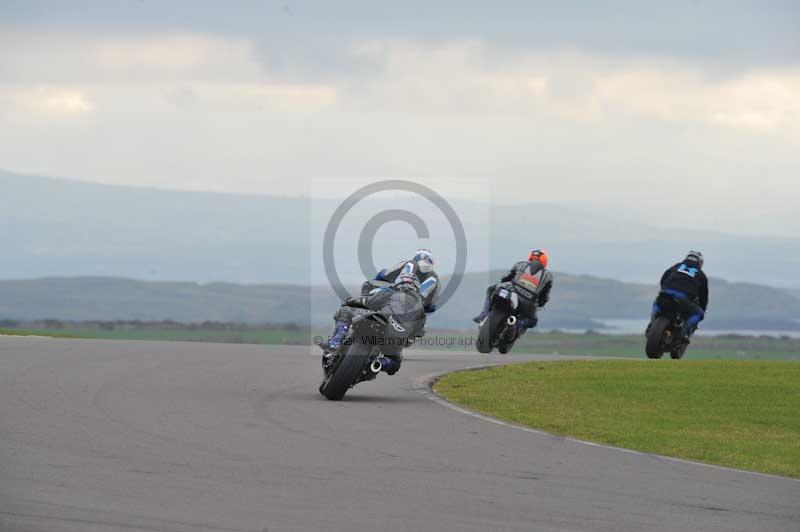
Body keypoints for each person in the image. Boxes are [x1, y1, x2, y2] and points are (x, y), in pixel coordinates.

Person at [319, 272, 425, 375]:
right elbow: (418, 332)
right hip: (396, 337)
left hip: (382, 320)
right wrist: (405, 337)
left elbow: (368, 301)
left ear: (398, 283)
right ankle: (379, 364)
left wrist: (349, 301)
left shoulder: (391, 292)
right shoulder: (421, 309)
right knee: (395, 362)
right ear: (417, 287)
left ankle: (336, 341)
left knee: (345, 311)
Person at [473, 249, 553, 334]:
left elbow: (505, 278)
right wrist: (540, 303)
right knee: (532, 321)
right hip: (528, 302)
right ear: (544, 261)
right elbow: (544, 296)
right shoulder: (548, 276)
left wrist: (504, 285)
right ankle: (516, 325)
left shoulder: (520, 264)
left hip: (510, 292)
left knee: (491, 289)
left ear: (530, 257)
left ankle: (483, 315)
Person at [650, 250, 708, 339]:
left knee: (657, 302)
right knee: (699, 313)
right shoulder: (701, 274)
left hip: (666, 294)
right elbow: (703, 296)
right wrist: (703, 308)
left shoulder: (676, 266)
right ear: (700, 262)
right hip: (683, 299)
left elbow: (663, 278)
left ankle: (652, 324)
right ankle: (684, 333)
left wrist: (664, 290)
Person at [366, 248, 440, 313]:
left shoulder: (409, 264)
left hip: (395, 298)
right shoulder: (435, 279)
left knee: (368, 285)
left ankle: (363, 306)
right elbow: (431, 305)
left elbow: (385, 273)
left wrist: (379, 278)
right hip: (412, 312)